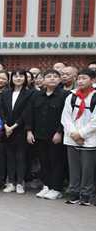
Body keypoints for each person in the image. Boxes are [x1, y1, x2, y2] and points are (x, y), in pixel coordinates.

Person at [27, 69, 66, 200]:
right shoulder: (37, 96)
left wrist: (59, 132)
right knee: (43, 161)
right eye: (49, 76)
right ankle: (47, 186)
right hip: (39, 134)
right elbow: (30, 114)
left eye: (55, 76)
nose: (52, 79)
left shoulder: (64, 95)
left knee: (56, 161)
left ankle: (56, 188)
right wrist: (29, 131)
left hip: (55, 135)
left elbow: (65, 117)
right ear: (43, 80)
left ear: (60, 80)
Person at [62, 68, 96, 206]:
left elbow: (95, 120)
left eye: (84, 78)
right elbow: (65, 117)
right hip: (72, 138)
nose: (80, 81)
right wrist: (74, 134)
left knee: (88, 169)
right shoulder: (72, 96)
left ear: (93, 80)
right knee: (74, 168)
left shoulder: (94, 96)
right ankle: (73, 193)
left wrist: (81, 134)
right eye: (79, 78)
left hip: (90, 139)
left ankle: (86, 195)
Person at [0, 69, 33, 194]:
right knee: (9, 157)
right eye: (15, 76)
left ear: (25, 78)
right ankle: (11, 182)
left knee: (21, 157)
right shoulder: (6, 93)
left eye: (21, 76)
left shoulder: (30, 93)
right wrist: (5, 125)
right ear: (11, 79)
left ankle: (20, 183)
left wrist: (13, 127)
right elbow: (0, 110)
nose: (18, 78)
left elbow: (27, 112)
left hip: (20, 130)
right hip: (6, 130)